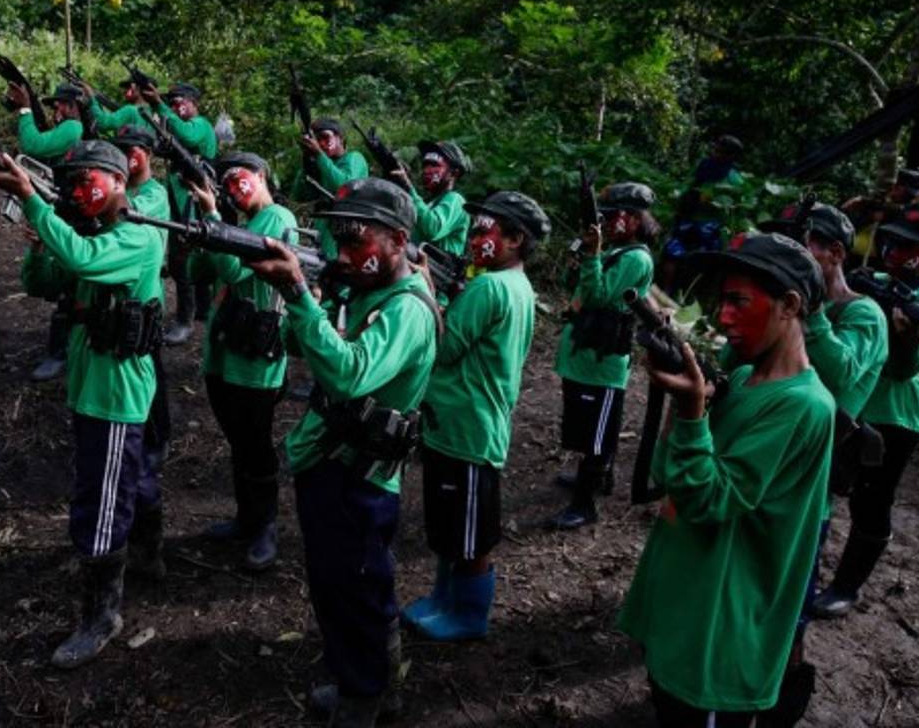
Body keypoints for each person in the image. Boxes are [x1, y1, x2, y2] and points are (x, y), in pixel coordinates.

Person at [617, 232, 833, 727]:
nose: (724, 316)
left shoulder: (802, 404)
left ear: (790, 305)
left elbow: (709, 500)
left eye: (739, 301)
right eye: (722, 301)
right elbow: (668, 473)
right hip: (689, 607)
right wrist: (687, 403)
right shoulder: (740, 380)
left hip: (721, 633)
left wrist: (694, 411)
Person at [248, 178, 438, 728]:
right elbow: (300, 346)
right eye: (338, 241)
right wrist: (320, 296)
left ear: (399, 241)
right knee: (339, 585)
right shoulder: (364, 290)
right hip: (333, 463)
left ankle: (365, 697)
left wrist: (300, 295)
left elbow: (349, 372)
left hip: (361, 478)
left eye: (358, 242)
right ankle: (372, 684)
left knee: (358, 591)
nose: (344, 255)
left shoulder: (406, 310)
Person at [0, 141, 165, 669]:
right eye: (73, 182)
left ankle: (101, 615)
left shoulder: (138, 236)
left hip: (115, 391)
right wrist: (41, 241)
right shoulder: (94, 234)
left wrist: (34, 201)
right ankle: (147, 555)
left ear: (119, 181)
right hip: (92, 382)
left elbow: (84, 260)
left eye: (91, 180)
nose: (80, 191)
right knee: (125, 476)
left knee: (101, 499)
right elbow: (41, 283)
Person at [755, 202, 888, 724]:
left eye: (809, 245)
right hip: (769, 461)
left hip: (813, 481)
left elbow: (842, 376)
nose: (801, 254)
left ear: (835, 253)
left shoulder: (862, 313)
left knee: (790, 605)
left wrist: (808, 310)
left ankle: (782, 705)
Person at [401, 191, 549, 646]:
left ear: (515, 239)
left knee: (469, 533)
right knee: (452, 528)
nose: (474, 239)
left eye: (485, 231)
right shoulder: (514, 284)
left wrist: (424, 288)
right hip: (464, 424)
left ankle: (468, 614)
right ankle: (444, 600)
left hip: (468, 427)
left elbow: (444, 348)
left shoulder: (489, 287)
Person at [812, 207, 919, 619]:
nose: (894, 249)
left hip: (896, 412)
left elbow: (902, 370)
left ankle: (846, 587)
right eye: (893, 240)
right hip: (854, 399)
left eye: (908, 245)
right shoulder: (875, 281)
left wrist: (907, 339)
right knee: (828, 483)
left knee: (871, 501)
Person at [189, 152, 297, 571]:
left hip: (257, 357)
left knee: (255, 444)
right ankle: (246, 518)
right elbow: (201, 267)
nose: (234, 186)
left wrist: (214, 218)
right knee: (238, 441)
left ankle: (265, 528)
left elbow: (234, 273)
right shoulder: (239, 225)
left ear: (262, 175)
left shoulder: (275, 218)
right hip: (225, 351)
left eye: (240, 177)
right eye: (226, 182)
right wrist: (204, 229)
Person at [549, 182, 657, 529]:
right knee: (585, 429)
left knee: (597, 435)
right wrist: (580, 255)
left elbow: (598, 296)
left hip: (603, 363)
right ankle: (599, 478)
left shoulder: (636, 258)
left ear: (635, 220)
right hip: (587, 356)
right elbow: (577, 287)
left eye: (615, 217)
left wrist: (593, 255)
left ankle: (585, 503)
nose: (608, 224)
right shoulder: (613, 253)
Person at [112, 124, 171, 580]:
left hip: (142, 319)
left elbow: (126, 213)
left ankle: (147, 539)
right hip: (119, 325)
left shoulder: (154, 197)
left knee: (148, 423)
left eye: (128, 152)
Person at [11, 81, 89, 383]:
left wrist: (26, 110)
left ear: (72, 107)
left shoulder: (72, 129)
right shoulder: (67, 129)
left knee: (70, 279)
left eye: (59, 104)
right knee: (63, 279)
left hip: (75, 209)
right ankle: (60, 348)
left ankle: (61, 351)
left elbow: (34, 145)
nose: (55, 109)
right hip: (67, 206)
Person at [140, 81, 217, 345]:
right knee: (190, 254)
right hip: (180, 195)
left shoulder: (201, 125)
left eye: (178, 102)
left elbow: (189, 137)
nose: (174, 107)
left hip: (195, 199)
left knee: (183, 258)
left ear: (193, 103)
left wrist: (160, 106)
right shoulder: (175, 124)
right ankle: (202, 309)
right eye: (171, 103)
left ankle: (185, 319)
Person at [658, 134, 744, 291]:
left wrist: (713, 203)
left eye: (721, 151)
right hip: (689, 218)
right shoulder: (704, 166)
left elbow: (735, 208)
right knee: (672, 255)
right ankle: (666, 291)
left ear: (731, 156)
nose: (716, 154)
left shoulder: (735, 179)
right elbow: (688, 186)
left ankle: (688, 295)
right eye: (716, 149)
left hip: (710, 227)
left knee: (701, 264)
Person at [291, 117, 369, 259]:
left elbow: (344, 186)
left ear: (340, 137)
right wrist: (307, 163)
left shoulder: (354, 158)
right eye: (317, 140)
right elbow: (299, 195)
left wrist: (320, 156)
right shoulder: (321, 164)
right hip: (323, 230)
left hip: (347, 229)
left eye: (326, 137)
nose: (321, 143)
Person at [395, 139, 471, 257]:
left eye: (434, 165)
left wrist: (408, 187)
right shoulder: (426, 204)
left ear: (453, 173)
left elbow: (433, 228)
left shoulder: (456, 200)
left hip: (437, 273)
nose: (426, 170)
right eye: (425, 165)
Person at [89, 73, 155, 134]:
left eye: (128, 87)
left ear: (138, 88)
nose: (125, 91)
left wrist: (91, 98)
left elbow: (102, 123)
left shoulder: (131, 110)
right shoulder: (152, 113)